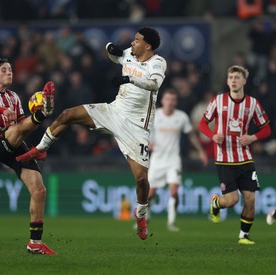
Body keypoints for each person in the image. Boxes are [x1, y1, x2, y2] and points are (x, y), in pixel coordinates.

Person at [16, 27, 167, 241]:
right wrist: (110, 48)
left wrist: (129, 80)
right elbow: (113, 53)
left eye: (137, 40)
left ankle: (141, 215)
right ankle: (40, 149)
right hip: (114, 111)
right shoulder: (129, 54)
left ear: (148, 46)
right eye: (133, 40)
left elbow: (154, 83)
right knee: (67, 115)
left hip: (137, 126)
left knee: (142, 180)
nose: (133, 43)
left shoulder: (157, 63)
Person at [0, 58, 56, 255]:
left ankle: (35, 243)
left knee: (39, 189)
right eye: (4, 70)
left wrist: (37, 124)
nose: (9, 73)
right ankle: (43, 113)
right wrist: (3, 110)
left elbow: (22, 125)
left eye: (10, 70)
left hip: (15, 141)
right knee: (15, 130)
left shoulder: (14, 97)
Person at [198, 65, 271, 245]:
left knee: (251, 198)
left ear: (244, 81)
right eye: (230, 77)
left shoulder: (252, 104)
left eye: (237, 78)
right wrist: (213, 136)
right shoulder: (218, 101)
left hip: (245, 157)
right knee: (232, 200)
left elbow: (266, 128)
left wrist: (252, 137)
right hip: (224, 158)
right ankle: (216, 203)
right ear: (227, 81)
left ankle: (243, 236)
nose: (233, 80)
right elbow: (202, 124)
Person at [147, 89, 208, 232]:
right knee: (150, 194)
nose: (170, 102)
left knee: (174, 192)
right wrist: (148, 143)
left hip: (173, 160)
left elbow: (191, 135)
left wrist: (200, 152)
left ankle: (171, 222)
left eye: (173, 99)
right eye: (167, 99)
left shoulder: (181, 117)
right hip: (157, 160)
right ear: (162, 101)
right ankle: (145, 216)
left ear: (176, 102)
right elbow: (146, 134)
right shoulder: (155, 116)